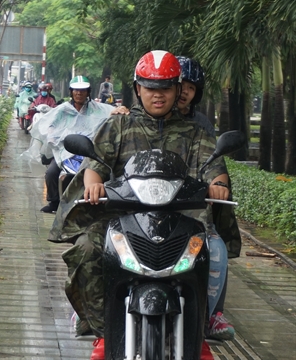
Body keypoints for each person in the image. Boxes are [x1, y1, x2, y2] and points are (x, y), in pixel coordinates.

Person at [48, 50, 230, 360]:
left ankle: (197, 332)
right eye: (150, 88)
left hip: (181, 221)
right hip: (121, 220)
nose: (158, 96)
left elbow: (214, 167)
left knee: (208, 254)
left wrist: (220, 185)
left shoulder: (196, 133)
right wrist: (93, 183)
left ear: (177, 90)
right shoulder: (117, 126)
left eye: (166, 88)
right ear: (138, 89)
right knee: (86, 249)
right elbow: (97, 164)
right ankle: (104, 330)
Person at [177, 56, 238, 341]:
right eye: (179, 84)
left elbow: (213, 162)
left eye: (191, 87)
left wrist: (217, 184)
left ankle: (212, 312)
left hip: (190, 204)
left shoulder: (200, 127)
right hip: (144, 202)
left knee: (215, 245)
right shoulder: (134, 122)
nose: (183, 91)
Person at [36, 76, 125, 214]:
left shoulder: (97, 108)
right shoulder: (62, 110)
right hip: (66, 151)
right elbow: (49, 125)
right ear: (71, 92)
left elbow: (110, 112)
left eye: (83, 90)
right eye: (76, 90)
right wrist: (54, 135)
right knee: (51, 173)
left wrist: (120, 110)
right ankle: (54, 202)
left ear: (88, 92)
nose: (79, 93)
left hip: (89, 150)